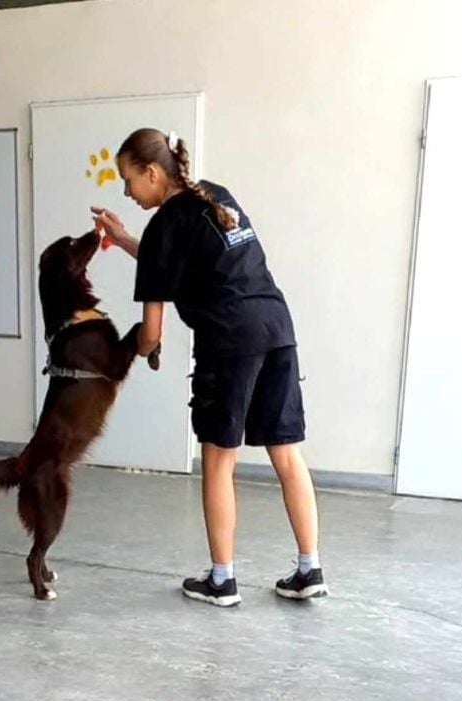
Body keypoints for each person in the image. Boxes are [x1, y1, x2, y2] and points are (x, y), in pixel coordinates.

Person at [92, 128, 327, 608]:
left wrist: (127, 352)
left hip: (229, 340)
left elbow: (151, 333)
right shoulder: (215, 195)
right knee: (287, 453)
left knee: (219, 459)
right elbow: (181, 260)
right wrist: (125, 239)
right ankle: (310, 570)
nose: (127, 192)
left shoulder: (164, 226)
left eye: (129, 180)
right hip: (276, 328)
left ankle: (222, 580)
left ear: (152, 173)